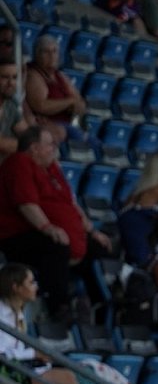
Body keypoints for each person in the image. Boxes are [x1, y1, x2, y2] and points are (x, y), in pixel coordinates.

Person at [0, 127, 111, 322]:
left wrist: (92, 231)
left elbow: (71, 203)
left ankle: (102, 307)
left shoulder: (51, 168)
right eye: (50, 144)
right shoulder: (18, 163)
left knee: (98, 247)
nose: (55, 147)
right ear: (34, 148)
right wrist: (48, 228)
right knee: (56, 246)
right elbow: (26, 204)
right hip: (18, 235)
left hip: (53, 233)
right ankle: (59, 309)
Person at [0, 262, 85, 384]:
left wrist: (35, 356)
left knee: (68, 378)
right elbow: (3, 354)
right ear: (16, 287)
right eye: (31, 282)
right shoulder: (1, 314)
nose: (36, 286)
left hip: (23, 366)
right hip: (8, 369)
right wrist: (33, 354)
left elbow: (16, 349)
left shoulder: (19, 311)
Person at [23, 36, 85, 140]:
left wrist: (75, 105)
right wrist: (69, 102)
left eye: (54, 51)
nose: (51, 56)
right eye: (46, 52)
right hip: (47, 126)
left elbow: (79, 102)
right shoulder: (33, 75)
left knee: (93, 143)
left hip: (66, 125)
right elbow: (41, 106)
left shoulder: (61, 76)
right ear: (37, 54)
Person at [0, 59, 38, 160]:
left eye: (14, 77)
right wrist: (33, 147)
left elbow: (26, 134)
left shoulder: (10, 104)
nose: (11, 83)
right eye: (5, 77)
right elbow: (2, 144)